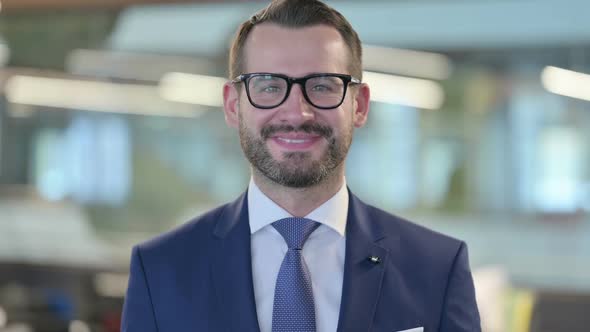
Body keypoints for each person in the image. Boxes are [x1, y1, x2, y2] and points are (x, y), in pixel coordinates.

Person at [121, 0, 481, 331]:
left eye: (323, 86)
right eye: (268, 86)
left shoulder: (437, 270)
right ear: (233, 105)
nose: (297, 112)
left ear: (359, 105)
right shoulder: (161, 271)